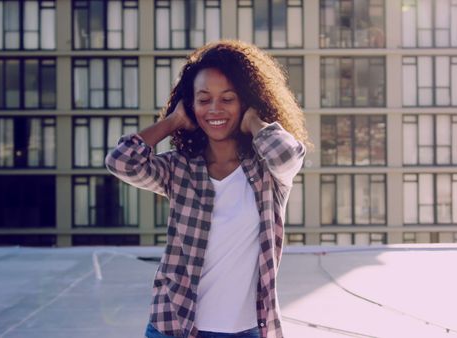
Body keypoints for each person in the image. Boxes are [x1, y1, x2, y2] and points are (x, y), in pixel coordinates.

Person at [105, 40, 310, 338]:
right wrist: (172, 121)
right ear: (191, 105)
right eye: (204, 100)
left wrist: (253, 121)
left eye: (228, 99)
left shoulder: (268, 172)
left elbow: (288, 154)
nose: (215, 109)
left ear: (247, 101)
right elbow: (121, 162)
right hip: (176, 327)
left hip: (249, 330)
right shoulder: (179, 170)